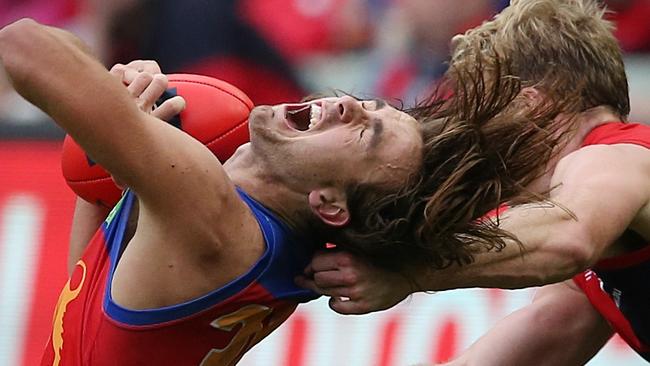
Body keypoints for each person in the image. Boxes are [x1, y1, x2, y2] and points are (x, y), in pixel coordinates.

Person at [0, 18, 441, 365]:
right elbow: (84, 308)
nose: (349, 104)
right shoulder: (280, 250)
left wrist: (107, 86)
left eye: (365, 134)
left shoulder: (207, 206)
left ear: (328, 203)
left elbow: (22, 44)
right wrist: (111, 132)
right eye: (369, 105)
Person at [296, 0, 650, 362]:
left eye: (485, 112)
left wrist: (409, 273)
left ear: (531, 105)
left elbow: (568, 236)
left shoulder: (620, 153)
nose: (476, 136)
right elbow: (525, 347)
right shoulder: (591, 274)